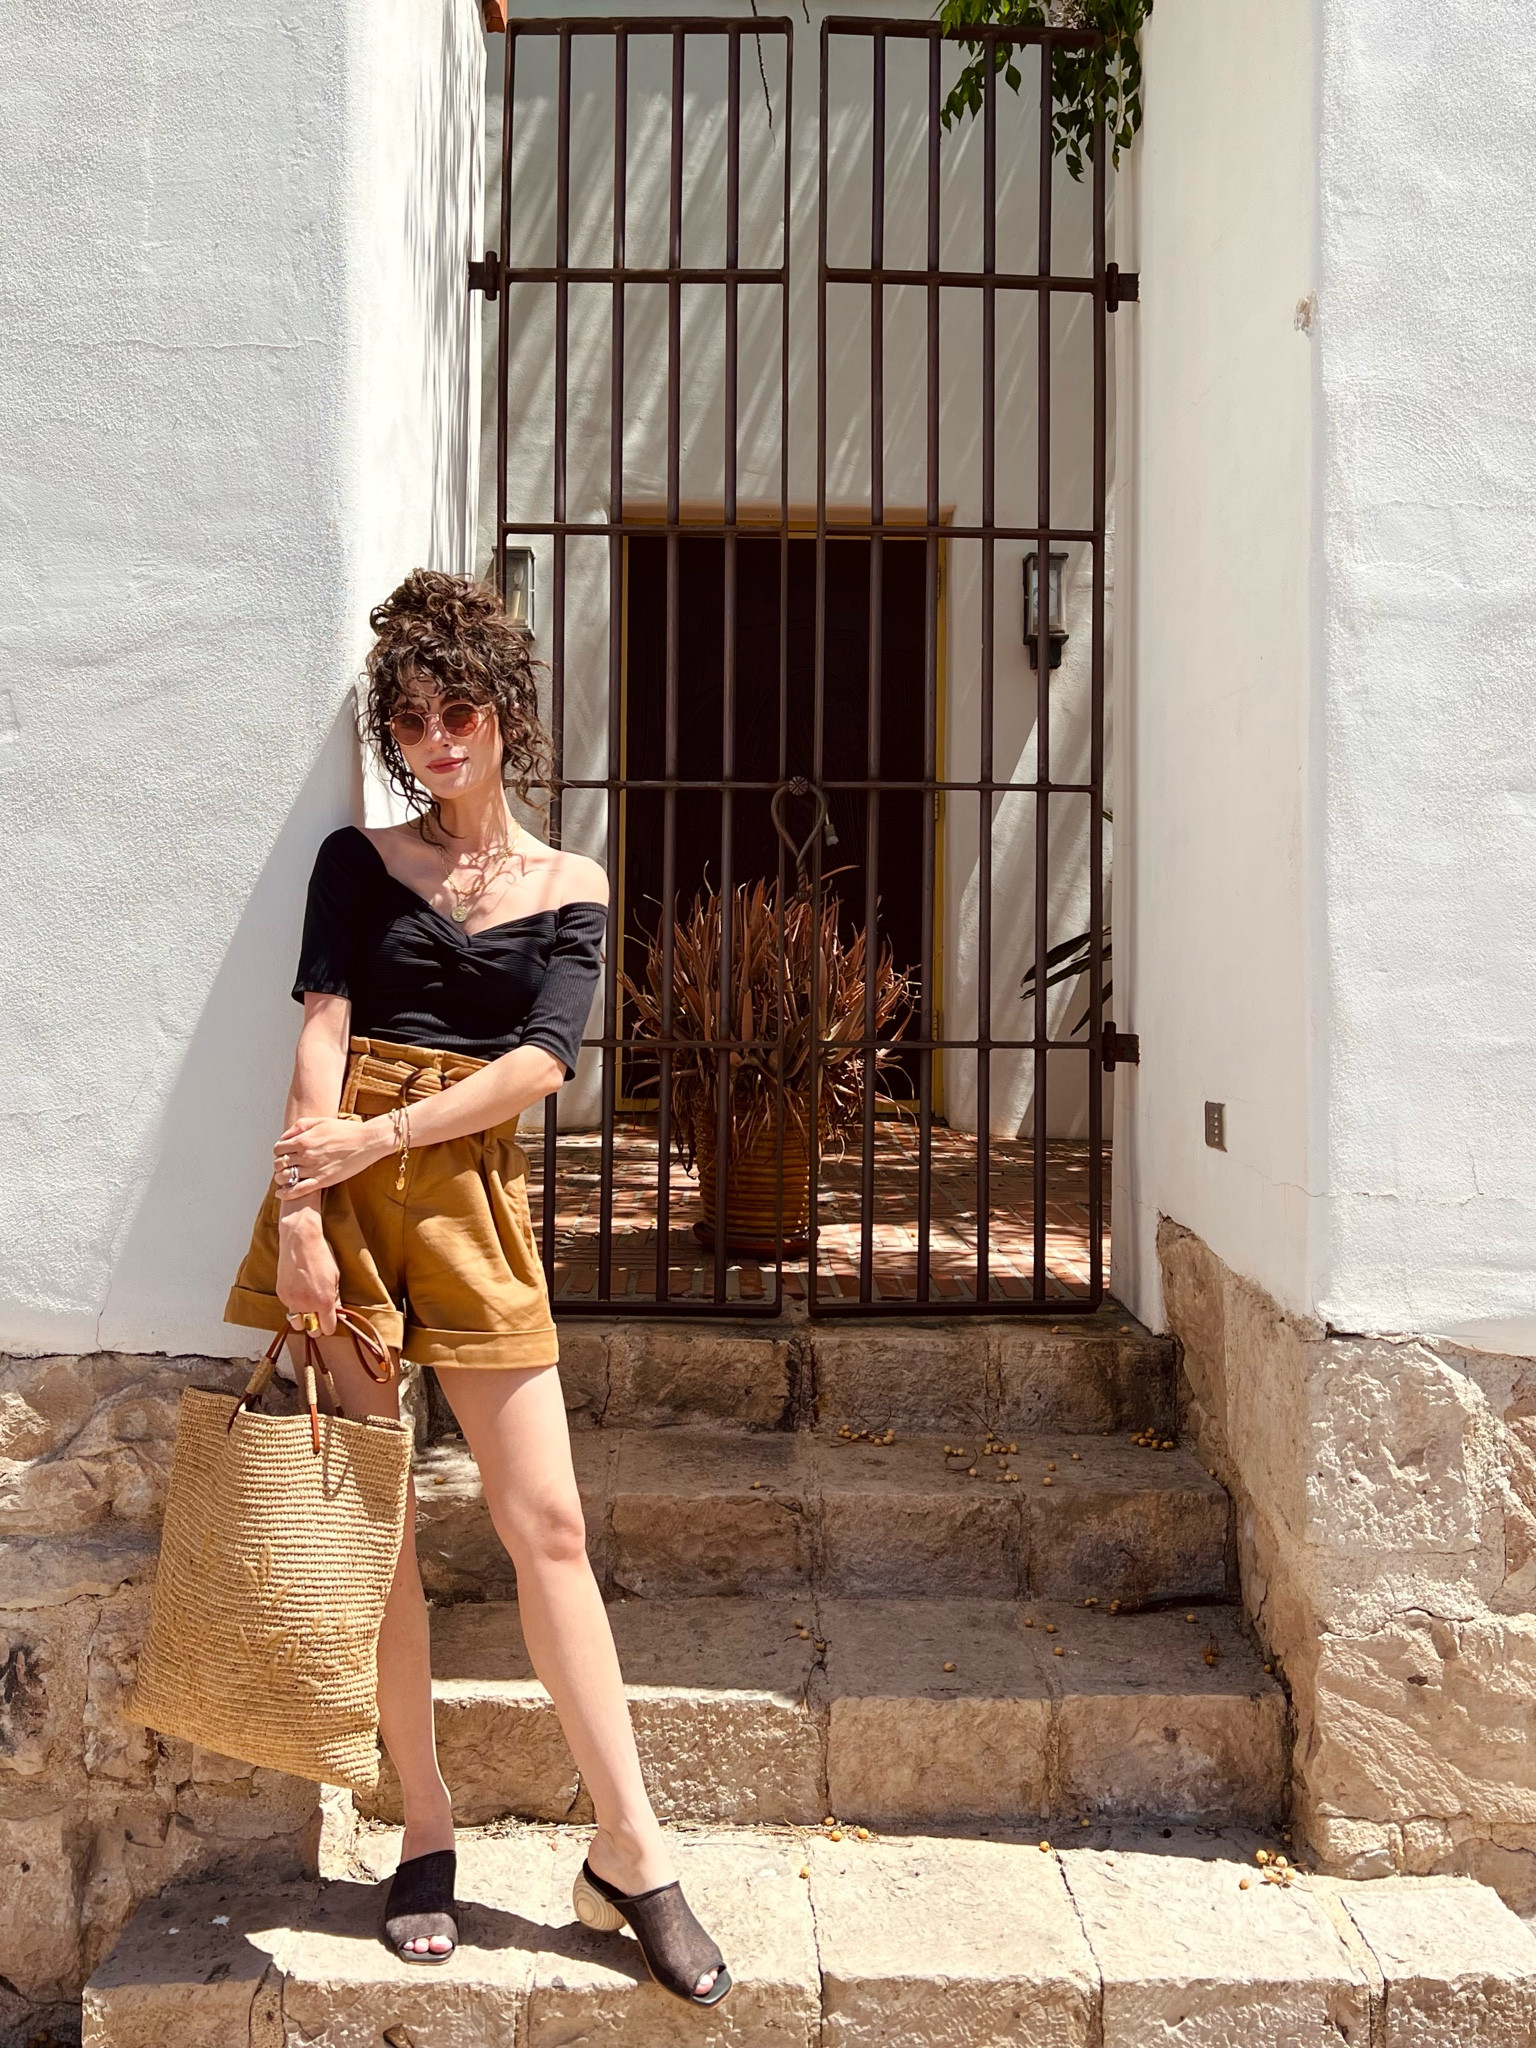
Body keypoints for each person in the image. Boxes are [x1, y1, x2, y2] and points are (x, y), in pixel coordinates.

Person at [223, 569, 730, 2008]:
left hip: (464, 1189)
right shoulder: (354, 860)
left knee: (547, 1523)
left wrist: (380, 1138)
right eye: (411, 719)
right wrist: (305, 1213)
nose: (437, 739)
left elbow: (540, 1066)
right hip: (342, 1196)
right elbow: (323, 1032)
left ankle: (630, 1851)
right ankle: (426, 1827)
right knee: (378, 1523)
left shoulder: (570, 888)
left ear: (505, 715)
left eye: (459, 712)